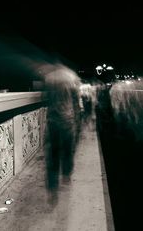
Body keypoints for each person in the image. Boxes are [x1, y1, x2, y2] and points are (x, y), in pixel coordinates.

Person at [43, 65, 81, 201]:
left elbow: (45, 98)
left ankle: (52, 188)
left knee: (53, 154)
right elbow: (76, 100)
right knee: (67, 150)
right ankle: (66, 175)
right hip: (67, 121)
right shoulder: (72, 77)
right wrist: (77, 119)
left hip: (53, 121)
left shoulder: (49, 77)